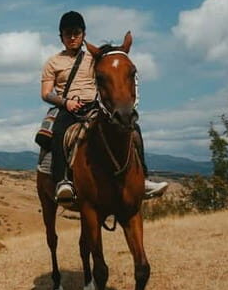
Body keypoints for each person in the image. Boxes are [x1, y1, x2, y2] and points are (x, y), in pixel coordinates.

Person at [41, 11, 168, 204]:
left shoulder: (95, 57)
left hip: (95, 106)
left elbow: (114, 67)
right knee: (59, 133)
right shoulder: (53, 62)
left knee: (132, 129)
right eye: (68, 34)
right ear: (61, 37)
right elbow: (46, 93)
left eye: (76, 32)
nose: (72, 37)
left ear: (83, 34)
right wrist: (66, 102)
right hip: (68, 108)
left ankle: (143, 178)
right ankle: (62, 181)